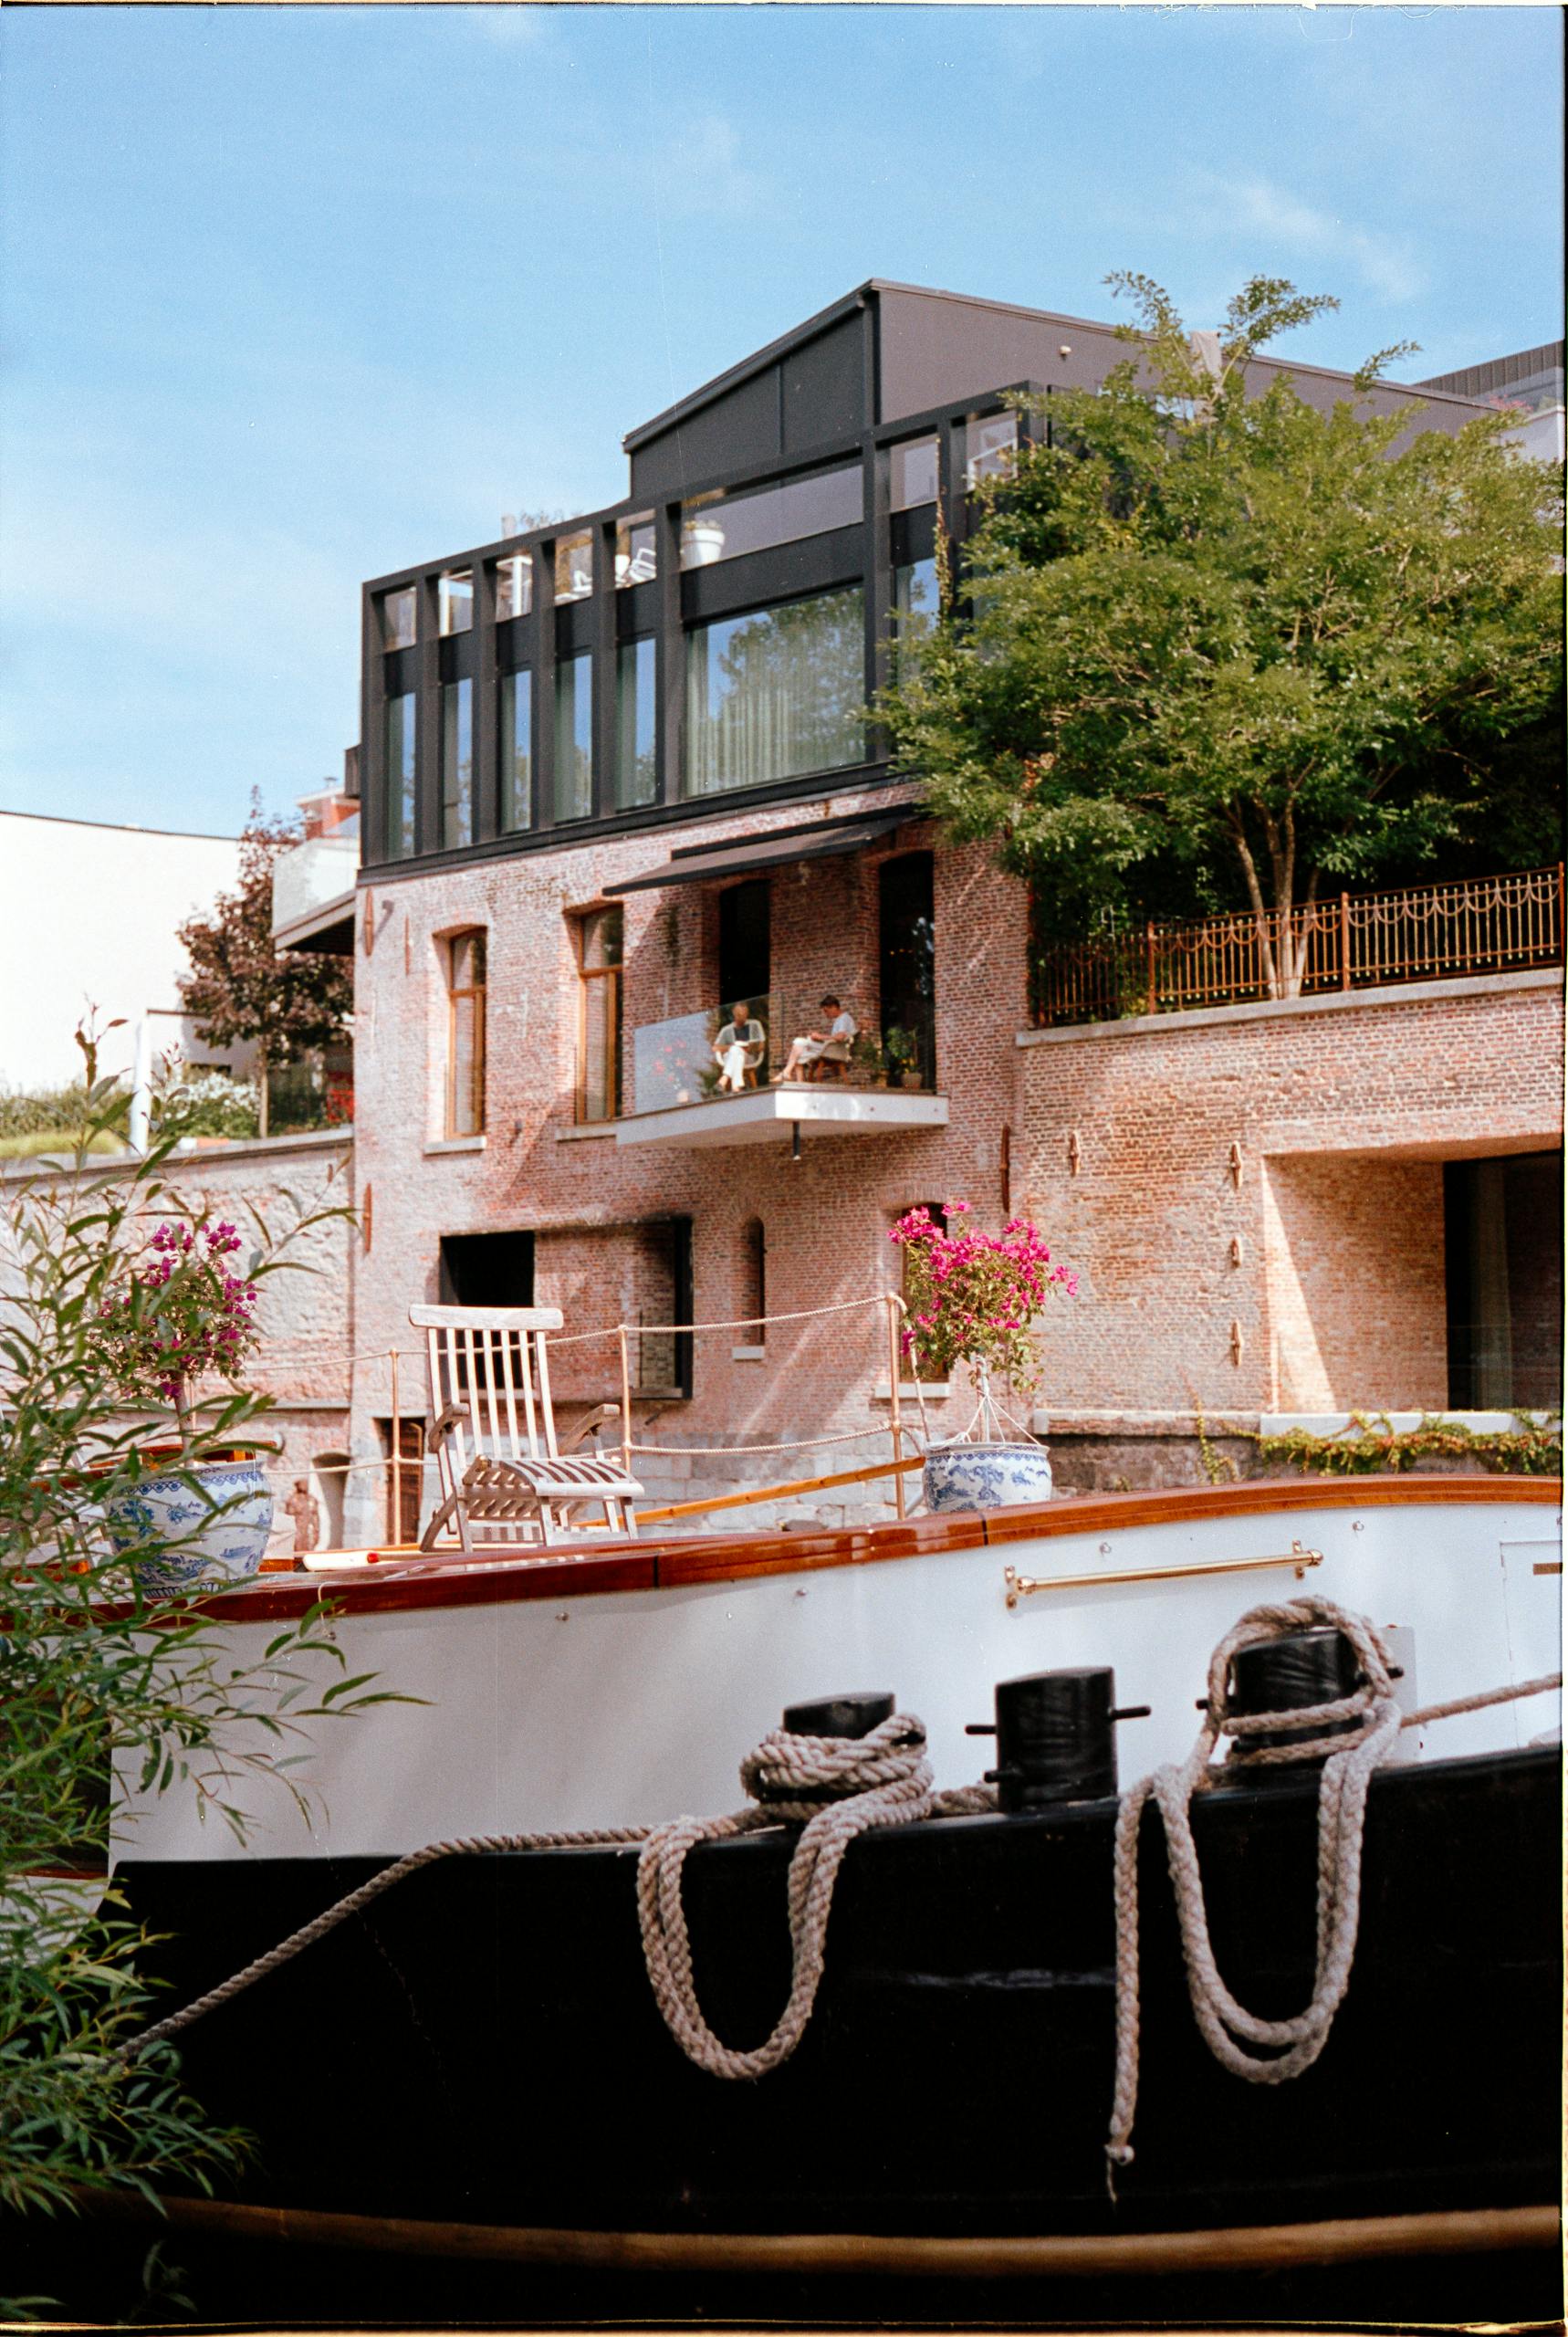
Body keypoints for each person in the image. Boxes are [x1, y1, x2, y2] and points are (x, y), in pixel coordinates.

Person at [773, 995, 858, 1083]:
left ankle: (786, 1072)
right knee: (798, 1052)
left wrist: (820, 1036)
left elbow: (840, 1037)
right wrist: (818, 1038)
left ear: (834, 1007)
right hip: (831, 1049)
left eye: (826, 1011)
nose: (825, 1014)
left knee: (799, 1041)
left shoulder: (844, 1019)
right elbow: (835, 1038)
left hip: (836, 1051)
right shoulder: (840, 1019)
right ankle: (798, 1082)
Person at [712, 1000, 767, 1092]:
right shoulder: (726, 1030)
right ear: (734, 1013)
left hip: (748, 1058)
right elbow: (715, 1048)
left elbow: (762, 1046)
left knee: (737, 1052)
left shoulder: (754, 1024)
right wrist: (731, 1047)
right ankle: (736, 1087)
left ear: (747, 1013)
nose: (741, 1017)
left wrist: (752, 1047)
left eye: (744, 1014)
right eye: (739, 1014)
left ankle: (724, 1078)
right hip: (731, 1057)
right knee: (736, 1052)